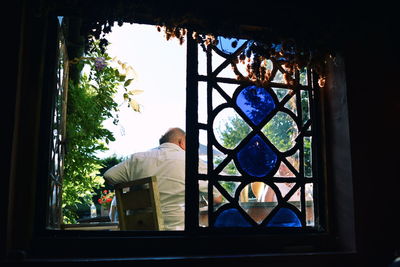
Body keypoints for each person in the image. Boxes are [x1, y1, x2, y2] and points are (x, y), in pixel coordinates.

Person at [104, 127, 221, 230]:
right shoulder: (192, 161)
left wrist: (134, 186)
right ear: (182, 142)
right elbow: (217, 198)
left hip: (141, 234)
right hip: (180, 234)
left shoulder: (137, 159)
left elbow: (109, 176)